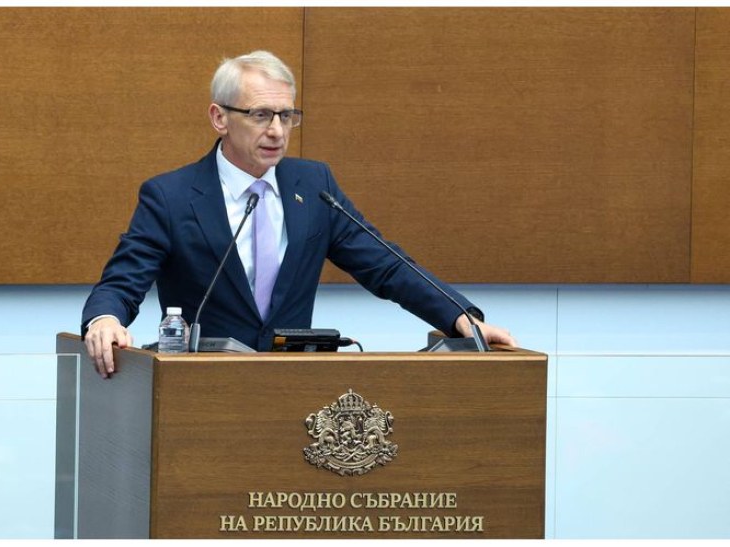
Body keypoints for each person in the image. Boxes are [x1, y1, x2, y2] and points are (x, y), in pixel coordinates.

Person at [83, 50, 516, 378]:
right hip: (201, 387)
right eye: (260, 115)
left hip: (293, 386)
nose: (276, 130)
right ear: (219, 117)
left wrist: (460, 316)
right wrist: (105, 320)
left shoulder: (313, 186)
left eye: (286, 115)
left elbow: (385, 265)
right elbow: (123, 280)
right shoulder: (171, 195)